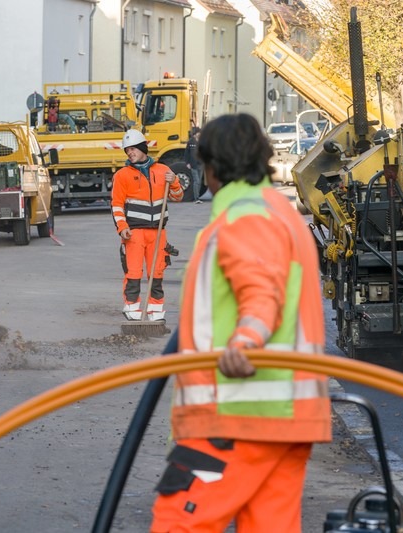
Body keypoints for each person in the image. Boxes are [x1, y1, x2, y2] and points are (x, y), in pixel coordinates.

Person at [150, 113, 331, 532]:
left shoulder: (246, 215)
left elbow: (261, 290)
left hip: (238, 415)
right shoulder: (277, 211)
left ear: (211, 167)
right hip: (284, 419)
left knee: (179, 521)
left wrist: (247, 340)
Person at [112, 129, 184, 321]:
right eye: (127, 151)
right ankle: (132, 308)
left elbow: (178, 197)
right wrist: (122, 228)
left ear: (143, 148)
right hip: (134, 233)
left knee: (157, 272)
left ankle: (155, 310)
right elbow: (117, 206)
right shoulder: (122, 175)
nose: (130, 153)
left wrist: (175, 182)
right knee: (133, 273)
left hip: (158, 233)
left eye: (133, 149)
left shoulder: (163, 171)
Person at [183, 127, 202, 203]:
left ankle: (198, 197)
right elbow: (186, 153)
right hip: (193, 164)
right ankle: (196, 198)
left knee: (199, 181)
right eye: (199, 133)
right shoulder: (191, 142)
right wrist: (187, 163)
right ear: (195, 133)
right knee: (196, 181)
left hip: (201, 164)